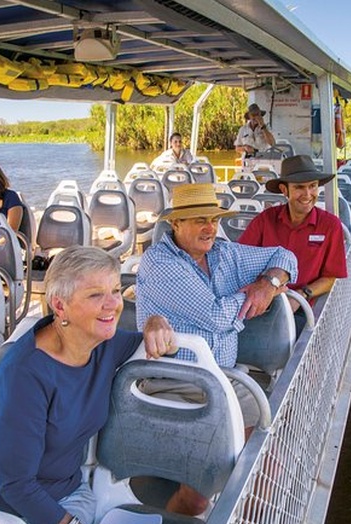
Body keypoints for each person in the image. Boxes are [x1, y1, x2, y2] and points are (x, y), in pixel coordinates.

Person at [0, 246, 176, 524]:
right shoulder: (24, 376)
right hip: (8, 509)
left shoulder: (102, 343)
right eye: (95, 295)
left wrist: (157, 321)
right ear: (59, 306)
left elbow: (155, 341)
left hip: (71, 491)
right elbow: (17, 486)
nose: (113, 304)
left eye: (116, 291)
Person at [135, 183, 297, 516]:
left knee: (270, 462)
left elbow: (285, 256)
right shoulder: (160, 263)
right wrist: (253, 295)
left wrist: (270, 284)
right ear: (175, 225)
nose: (210, 228)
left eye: (213, 219)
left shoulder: (223, 253)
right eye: (198, 220)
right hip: (176, 384)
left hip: (225, 381)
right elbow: (216, 316)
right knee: (198, 494)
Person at [239, 155, 348, 333]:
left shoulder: (330, 225)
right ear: (284, 190)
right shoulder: (265, 220)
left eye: (312, 186)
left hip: (304, 307)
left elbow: (331, 277)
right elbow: (241, 259)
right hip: (263, 301)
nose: (307, 194)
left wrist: (300, 296)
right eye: (299, 187)